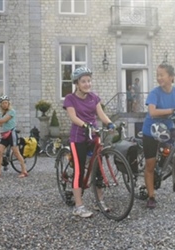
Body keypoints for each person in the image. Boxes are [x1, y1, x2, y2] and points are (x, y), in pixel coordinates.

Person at [141, 63, 175, 209]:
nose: (159, 78)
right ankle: (151, 196)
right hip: (151, 132)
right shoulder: (155, 93)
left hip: (169, 129)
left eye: (162, 75)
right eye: (158, 75)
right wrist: (173, 110)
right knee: (150, 166)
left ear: (171, 77)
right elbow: (152, 112)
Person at [63, 66, 115, 218]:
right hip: (79, 137)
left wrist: (110, 124)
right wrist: (85, 125)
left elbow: (101, 114)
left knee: (98, 168)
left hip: (94, 135)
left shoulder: (94, 97)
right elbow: (73, 117)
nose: (87, 84)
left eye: (89, 81)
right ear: (77, 83)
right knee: (79, 170)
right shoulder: (70, 99)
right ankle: (79, 206)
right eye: (83, 81)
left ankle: (100, 201)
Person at [0, 95, 28, 178]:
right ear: (1, 105)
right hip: (5, 135)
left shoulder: (11, 111)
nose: (4, 104)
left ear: (8, 103)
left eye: (6, 103)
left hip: (12, 134)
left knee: (16, 153)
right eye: (3, 103)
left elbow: (3, 120)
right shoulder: (4, 114)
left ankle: (24, 171)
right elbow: (1, 124)